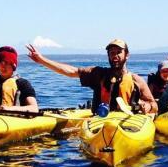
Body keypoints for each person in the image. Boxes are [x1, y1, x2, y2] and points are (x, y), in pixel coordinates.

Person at [27, 39, 157, 115]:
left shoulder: (136, 80)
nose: (115, 56)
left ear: (127, 55)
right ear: (108, 56)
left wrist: (148, 107)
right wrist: (42, 60)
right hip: (101, 121)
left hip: (128, 123)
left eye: (119, 52)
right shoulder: (98, 74)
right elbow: (71, 71)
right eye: (112, 53)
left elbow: (154, 105)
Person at [0, 46, 39, 113]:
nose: (3, 66)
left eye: (7, 62)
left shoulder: (23, 84)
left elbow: (34, 109)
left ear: (13, 65)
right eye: (0, 62)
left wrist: (10, 109)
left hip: (15, 118)